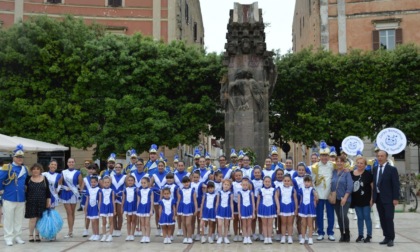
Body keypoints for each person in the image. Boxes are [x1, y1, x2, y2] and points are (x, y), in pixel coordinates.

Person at [0, 145, 29, 246]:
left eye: (21, 157)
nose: (20, 159)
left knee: (18, 219)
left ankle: (17, 236)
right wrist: (1, 190)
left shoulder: (25, 169)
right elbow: (0, 179)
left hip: (20, 197)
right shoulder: (7, 167)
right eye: (18, 157)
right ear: (13, 157)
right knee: (8, 219)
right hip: (9, 197)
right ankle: (8, 237)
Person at [373, 150, 399, 247]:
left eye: (382, 156)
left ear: (386, 157)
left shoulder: (392, 169)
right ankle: (386, 237)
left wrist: (395, 198)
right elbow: (374, 184)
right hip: (378, 198)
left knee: (389, 218)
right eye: (378, 156)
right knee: (382, 218)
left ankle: (391, 238)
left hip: (389, 198)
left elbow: (396, 185)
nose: (379, 158)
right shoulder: (375, 169)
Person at [312, 141, 336, 241]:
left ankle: (330, 232)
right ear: (320, 156)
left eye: (326, 156)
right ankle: (320, 232)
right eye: (322, 156)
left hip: (329, 194)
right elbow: (313, 180)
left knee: (330, 215)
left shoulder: (332, 165)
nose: (324, 158)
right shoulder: (315, 166)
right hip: (319, 193)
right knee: (319, 215)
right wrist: (315, 193)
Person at [25, 163, 51, 243]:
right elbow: (24, 190)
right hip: (31, 201)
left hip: (42, 201)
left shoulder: (44, 178)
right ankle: (30, 235)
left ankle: (37, 234)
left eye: (37, 169)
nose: (35, 170)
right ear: (31, 170)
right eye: (34, 169)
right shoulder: (28, 178)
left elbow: (48, 191)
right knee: (33, 219)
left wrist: (48, 201)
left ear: (40, 170)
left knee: (39, 219)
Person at [58, 157, 83, 239]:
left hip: (74, 194)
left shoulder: (78, 173)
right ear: (67, 163)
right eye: (69, 162)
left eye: (72, 162)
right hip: (65, 194)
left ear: (74, 163)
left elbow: (80, 184)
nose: (71, 163)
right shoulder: (63, 172)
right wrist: (65, 188)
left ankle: (71, 230)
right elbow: (59, 183)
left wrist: (77, 189)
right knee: (69, 212)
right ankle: (70, 231)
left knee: (72, 213)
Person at [351, 156, 373, 243]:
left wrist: (372, 199)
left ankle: (369, 235)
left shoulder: (368, 175)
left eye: (362, 163)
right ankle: (360, 235)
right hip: (356, 200)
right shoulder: (351, 173)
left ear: (365, 165)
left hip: (366, 199)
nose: (359, 165)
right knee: (360, 218)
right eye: (358, 163)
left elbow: (373, 188)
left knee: (367, 217)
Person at [331, 155, 353, 242]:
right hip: (335, 198)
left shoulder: (347, 173)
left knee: (343, 215)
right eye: (337, 161)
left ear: (344, 163)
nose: (339, 163)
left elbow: (350, 186)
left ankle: (347, 234)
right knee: (339, 217)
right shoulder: (333, 172)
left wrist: (345, 197)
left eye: (341, 161)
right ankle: (342, 234)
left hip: (345, 198)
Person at [177, 176, 198, 244]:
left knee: (188, 223)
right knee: (183, 223)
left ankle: (189, 237)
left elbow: (195, 201)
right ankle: (185, 237)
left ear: (189, 182)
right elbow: (178, 200)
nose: (186, 183)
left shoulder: (192, 190)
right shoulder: (181, 190)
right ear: (182, 183)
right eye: (185, 182)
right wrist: (177, 209)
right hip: (182, 207)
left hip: (189, 207)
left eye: (187, 182)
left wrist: (196, 209)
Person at [150, 160, 168, 236]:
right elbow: (150, 185)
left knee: (164, 212)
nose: (160, 167)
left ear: (164, 166)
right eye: (159, 166)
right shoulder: (154, 175)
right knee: (157, 213)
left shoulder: (167, 174)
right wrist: (155, 189)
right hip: (156, 195)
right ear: (157, 167)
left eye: (162, 166)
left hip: (165, 196)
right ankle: (158, 228)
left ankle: (165, 228)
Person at [298, 175, 318, 245]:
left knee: (310, 224)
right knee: (303, 224)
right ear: (303, 182)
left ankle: (310, 238)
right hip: (303, 208)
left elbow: (316, 196)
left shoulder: (312, 189)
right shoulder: (301, 189)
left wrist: (315, 199)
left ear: (311, 182)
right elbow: (299, 197)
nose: (307, 183)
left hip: (310, 208)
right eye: (305, 181)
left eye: (308, 181)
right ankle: (303, 238)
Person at [131, 158, 148, 236]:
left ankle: (141, 228)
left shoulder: (146, 175)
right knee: (136, 211)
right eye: (137, 164)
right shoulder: (132, 174)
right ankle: (137, 228)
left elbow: (148, 185)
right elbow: (130, 182)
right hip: (134, 195)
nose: (139, 166)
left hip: (143, 195)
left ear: (143, 165)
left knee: (141, 211)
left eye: (140, 164)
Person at [81, 164, 100, 237]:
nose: (91, 170)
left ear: (96, 170)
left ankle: (96, 232)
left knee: (95, 217)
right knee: (87, 215)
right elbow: (82, 189)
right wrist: (84, 192)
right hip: (86, 199)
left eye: (93, 169)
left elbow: (101, 188)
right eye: (89, 169)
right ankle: (86, 229)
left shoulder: (99, 178)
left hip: (95, 201)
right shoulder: (85, 179)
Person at [279, 174, 298, 244]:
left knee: (290, 223)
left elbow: (295, 199)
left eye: (288, 181)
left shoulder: (293, 189)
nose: (287, 182)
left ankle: (290, 237)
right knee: (283, 223)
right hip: (283, 207)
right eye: (285, 181)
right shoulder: (280, 188)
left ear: (291, 182)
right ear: (283, 181)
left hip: (290, 207)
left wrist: (296, 208)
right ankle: (283, 237)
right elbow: (277, 198)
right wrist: (278, 208)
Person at [215, 179, 234, 244]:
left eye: (228, 185)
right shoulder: (219, 192)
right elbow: (217, 202)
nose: (226, 186)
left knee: (226, 224)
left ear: (230, 186)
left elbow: (231, 203)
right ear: (222, 185)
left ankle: (225, 237)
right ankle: (220, 236)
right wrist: (216, 210)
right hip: (220, 209)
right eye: (225, 184)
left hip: (227, 209)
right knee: (220, 224)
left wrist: (232, 213)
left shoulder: (230, 194)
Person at [174, 160, 189, 236]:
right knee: (179, 213)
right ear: (177, 166)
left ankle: (185, 228)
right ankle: (179, 228)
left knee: (185, 213)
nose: (180, 167)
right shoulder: (174, 174)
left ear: (184, 166)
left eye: (181, 165)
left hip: (186, 196)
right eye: (179, 166)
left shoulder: (188, 174)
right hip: (177, 195)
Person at [110, 162, 126, 237]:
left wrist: (121, 193)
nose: (117, 168)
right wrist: (112, 193)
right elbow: (109, 186)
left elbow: (126, 187)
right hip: (113, 197)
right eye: (116, 167)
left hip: (120, 197)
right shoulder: (111, 176)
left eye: (119, 167)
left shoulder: (124, 177)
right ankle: (114, 229)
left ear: (121, 168)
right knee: (113, 214)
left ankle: (119, 230)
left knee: (119, 213)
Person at [238, 178, 255, 244]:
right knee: (244, 224)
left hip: (249, 209)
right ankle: (245, 237)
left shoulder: (250, 192)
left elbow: (253, 203)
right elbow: (239, 204)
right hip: (243, 209)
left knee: (249, 224)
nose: (245, 186)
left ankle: (248, 237)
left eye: (246, 185)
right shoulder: (240, 193)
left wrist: (253, 212)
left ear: (248, 185)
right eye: (243, 185)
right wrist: (239, 213)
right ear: (241, 185)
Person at [190, 169, 206, 241]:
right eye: (194, 177)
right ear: (192, 177)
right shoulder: (190, 184)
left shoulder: (201, 183)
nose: (196, 179)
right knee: (192, 220)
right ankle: (192, 233)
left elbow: (205, 189)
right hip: (193, 204)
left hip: (199, 204)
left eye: (197, 177)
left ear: (199, 177)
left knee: (199, 220)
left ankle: (198, 233)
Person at [137, 177, 153, 243]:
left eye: (144, 183)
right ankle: (143, 236)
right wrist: (138, 209)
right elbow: (138, 201)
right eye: (142, 183)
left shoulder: (150, 191)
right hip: (141, 208)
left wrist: (151, 210)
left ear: (148, 183)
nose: (143, 184)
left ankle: (147, 236)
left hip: (147, 208)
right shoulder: (139, 191)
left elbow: (152, 201)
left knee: (147, 223)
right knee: (142, 223)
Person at [98, 176, 115, 242]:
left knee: (111, 222)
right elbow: (99, 200)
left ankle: (110, 235)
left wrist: (114, 209)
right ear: (103, 183)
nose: (106, 183)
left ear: (110, 183)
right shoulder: (101, 191)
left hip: (110, 206)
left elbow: (113, 200)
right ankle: (104, 235)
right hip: (103, 206)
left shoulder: (112, 191)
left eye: (108, 182)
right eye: (105, 182)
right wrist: (99, 209)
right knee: (103, 222)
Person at [84, 176, 101, 241]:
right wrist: (85, 208)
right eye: (92, 182)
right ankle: (94, 234)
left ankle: (97, 234)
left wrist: (99, 209)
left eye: (94, 182)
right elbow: (87, 200)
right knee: (92, 221)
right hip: (90, 207)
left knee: (95, 221)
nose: (93, 183)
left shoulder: (99, 190)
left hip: (96, 207)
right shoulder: (89, 190)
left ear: (97, 182)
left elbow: (100, 200)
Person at [122, 175, 137, 241]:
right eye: (129, 180)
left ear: (134, 181)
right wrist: (122, 207)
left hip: (134, 206)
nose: (130, 182)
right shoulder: (125, 189)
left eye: (131, 180)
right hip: (127, 206)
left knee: (133, 220)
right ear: (126, 182)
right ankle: (128, 234)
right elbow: (123, 199)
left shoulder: (136, 189)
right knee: (128, 220)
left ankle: (132, 234)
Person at [251, 166, 264, 241]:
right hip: (254, 200)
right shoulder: (251, 181)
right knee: (254, 218)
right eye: (255, 173)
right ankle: (253, 233)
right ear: (253, 173)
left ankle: (261, 233)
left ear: (261, 173)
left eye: (258, 172)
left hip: (261, 200)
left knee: (260, 218)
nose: (257, 174)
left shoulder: (263, 181)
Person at [232, 169, 243, 242]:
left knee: (242, 219)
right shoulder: (232, 184)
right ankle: (236, 234)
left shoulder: (244, 183)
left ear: (242, 175)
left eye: (239, 175)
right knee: (235, 219)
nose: (238, 177)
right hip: (234, 202)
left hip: (242, 202)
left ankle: (242, 234)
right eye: (236, 176)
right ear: (234, 176)